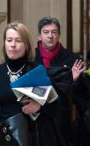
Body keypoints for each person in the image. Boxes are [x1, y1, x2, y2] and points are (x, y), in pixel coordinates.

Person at [0, 22, 37, 146]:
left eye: (18, 40)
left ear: (26, 45)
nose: (13, 45)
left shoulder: (35, 71)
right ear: (4, 44)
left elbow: (54, 108)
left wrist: (39, 106)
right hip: (2, 139)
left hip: (29, 139)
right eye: (9, 40)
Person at [34, 16, 84, 146]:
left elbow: (81, 93)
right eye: (46, 32)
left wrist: (74, 81)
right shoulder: (31, 58)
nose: (50, 36)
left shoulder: (71, 58)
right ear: (39, 36)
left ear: (59, 35)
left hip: (61, 119)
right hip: (35, 118)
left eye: (54, 32)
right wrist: (65, 81)